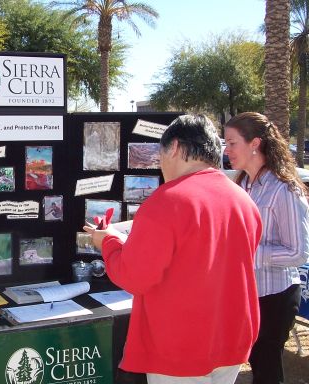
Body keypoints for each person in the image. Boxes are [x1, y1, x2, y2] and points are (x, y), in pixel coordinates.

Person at [84, 114, 262, 383]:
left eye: (160, 153)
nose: (160, 161)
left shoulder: (167, 201)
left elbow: (133, 276)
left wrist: (108, 242)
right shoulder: (243, 200)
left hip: (180, 348)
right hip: (232, 339)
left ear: (175, 147)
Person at [224, 112, 309, 384]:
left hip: (275, 298)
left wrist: (246, 253)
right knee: (255, 364)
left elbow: (299, 252)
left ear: (255, 143)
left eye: (232, 143)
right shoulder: (241, 184)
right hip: (247, 295)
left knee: (266, 371)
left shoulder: (284, 189)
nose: (227, 151)